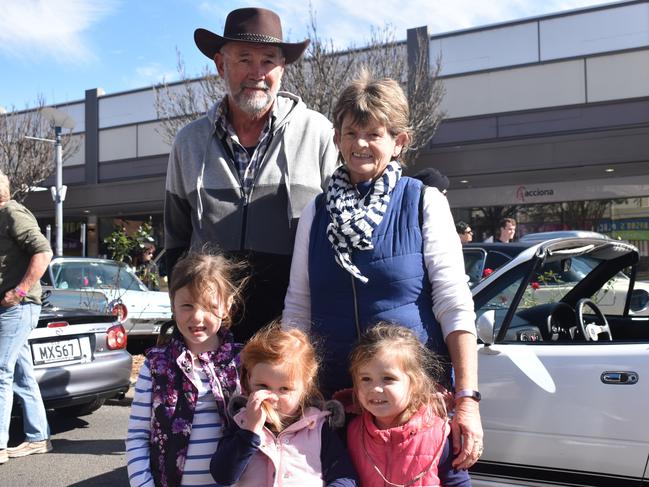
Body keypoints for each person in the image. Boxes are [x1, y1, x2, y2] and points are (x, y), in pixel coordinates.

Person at [282, 70, 483, 469]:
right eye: (351, 132)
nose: (361, 143)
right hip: (334, 403)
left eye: (374, 133)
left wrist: (467, 401)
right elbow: (298, 310)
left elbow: (454, 305)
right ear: (337, 139)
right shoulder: (315, 213)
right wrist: (294, 392)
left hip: (411, 406)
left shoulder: (423, 202)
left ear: (398, 142)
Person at [164, 7, 339, 343]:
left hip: (291, 333)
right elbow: (176, 243)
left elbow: (335, 235)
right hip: (211, 334)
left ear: (282, 68)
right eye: (244, 59)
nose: (257, 72)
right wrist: (181, 315)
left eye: (268, 60)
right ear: (220, 65)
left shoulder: (319, 133)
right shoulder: (188, 142)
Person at [126, 252, 246, 487]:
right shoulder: (155, 366)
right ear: (173, 305)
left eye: (210, 306)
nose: (197, 316)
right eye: (187, 305)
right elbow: (137, 437)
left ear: (227, 306)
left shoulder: (242, 362)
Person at [210, 324, 357, 486]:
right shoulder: (241, 422)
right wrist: (250, 431)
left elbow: (344, 476)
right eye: (262, 386)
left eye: (285, 389)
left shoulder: (319, 427)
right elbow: (222, 475)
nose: (273, 397)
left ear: (305, 388)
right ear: (248, 381)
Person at [347, 323, 472, 486]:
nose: (375, 388)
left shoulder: (440, 434)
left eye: (388, 378)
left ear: (415, 384)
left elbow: (458, 483)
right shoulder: (352, 432)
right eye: (365, 379)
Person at [0, 171, 53, 464]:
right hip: (11, 308)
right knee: (21, 374)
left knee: (1, 371)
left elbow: (43, 253)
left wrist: (17, 292)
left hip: (17, 308)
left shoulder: (12, 212)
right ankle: (37, 438)